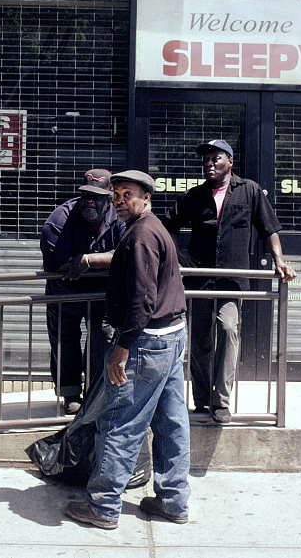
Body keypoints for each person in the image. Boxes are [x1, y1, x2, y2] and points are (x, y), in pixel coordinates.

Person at [64, 170, 191, 530]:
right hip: (171, 337)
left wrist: (122, 348)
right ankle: (173, 501)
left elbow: (142, 299)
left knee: (121, 423)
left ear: (147, 197)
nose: (120, 200)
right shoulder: (151, 229)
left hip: (147, 343)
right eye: (116, 195)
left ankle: (103, 506)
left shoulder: (141, 236)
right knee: (171, 423)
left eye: (128, 194)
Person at [160, 139, 296, 424]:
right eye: (206, 160)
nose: (209, 163)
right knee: (198, 339)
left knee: (228, 328)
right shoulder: (194, 196)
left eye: (216, 158)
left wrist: (279, 261)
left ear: (230, 161)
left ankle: (221, 402)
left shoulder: (249, 191)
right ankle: (202, 399)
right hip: (198, 279)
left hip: (232, 281)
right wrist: (177, 257)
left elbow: (269, 229)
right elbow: (167, 226)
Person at [40, 169, 125, 414]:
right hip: (65, 290)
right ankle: (70, 394)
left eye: (97, 196)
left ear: (108, 198)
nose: (90, 201)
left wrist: (88, 260)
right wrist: (103, 261)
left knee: (101, 339)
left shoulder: (118, 216)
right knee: (64, 340)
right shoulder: (59, 219)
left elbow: (127, 252)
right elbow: (58, 262)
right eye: (86, 195)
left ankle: (94, 393)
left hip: (102, 294)